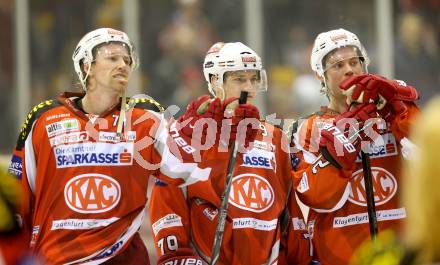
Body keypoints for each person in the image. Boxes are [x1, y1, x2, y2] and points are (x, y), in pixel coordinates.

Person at [8, 28, 214, 264]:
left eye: (127, 60)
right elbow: (17, 198)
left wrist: (203, 131)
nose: (123, 65)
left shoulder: (144, 117)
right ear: (87, 66)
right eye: (112, 58)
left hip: (122, 258)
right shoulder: (43, 118)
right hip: (55, 258)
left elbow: (188, 168)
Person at [148, 42, 311, 265]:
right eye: (239, 79)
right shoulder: (187, 132)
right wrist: (176, 258)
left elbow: (288, 213)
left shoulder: (274, 136)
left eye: (254, 79)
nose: (249, 89)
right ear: (216, 81)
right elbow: (167, 198)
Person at [287, 28, 420, 264]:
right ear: (321, 75)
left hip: (402, 252)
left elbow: (428, 156)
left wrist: (399, 108)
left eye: (355, 61)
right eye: (337, 65)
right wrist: (340, 149)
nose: (349, 69)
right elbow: (314, 196)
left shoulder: (392, 114)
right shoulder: (308, 128)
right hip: (340, 256)